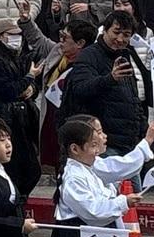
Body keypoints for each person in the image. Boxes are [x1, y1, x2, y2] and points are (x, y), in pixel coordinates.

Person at [19, 6, 96, 178]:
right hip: (51, 112)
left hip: (75, 117)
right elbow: (39, 41)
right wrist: (26, 21)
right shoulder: (58, 51)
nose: (61, 41)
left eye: (65, 38)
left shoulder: (90, 62)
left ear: (80, 43)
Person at [61, 11, 147, 155]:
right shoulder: (89, 55)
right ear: (105, 30)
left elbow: (132, 98)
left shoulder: (126, 55)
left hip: (129, 142)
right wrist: (110, 79)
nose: (120, 39)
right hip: (104, 143)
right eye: (116, 32)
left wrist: (143, 128)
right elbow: (81, 89)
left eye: (126, 35)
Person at [0, 19, 43, 200]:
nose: (17, 39)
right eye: (12, 35)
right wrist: (29, 78)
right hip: (6, 118)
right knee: (17, 168)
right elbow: (6, 91)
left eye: (19, 35)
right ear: (0, 37)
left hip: (22, 117)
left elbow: (27, 86)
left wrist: (31, 88)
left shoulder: (19, 56)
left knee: (31, 168)